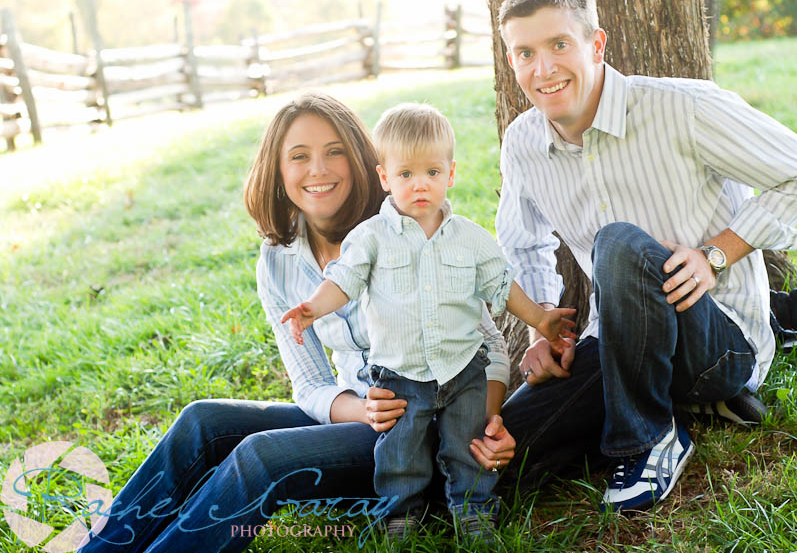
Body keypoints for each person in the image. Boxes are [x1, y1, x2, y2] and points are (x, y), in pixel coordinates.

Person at [77, 92, 517, 553]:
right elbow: (309, 384)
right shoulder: (278, 260)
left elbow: (488, 341)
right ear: (279, 170)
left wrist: (485, 423)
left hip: (418, 427)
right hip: (363, 415)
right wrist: (363, 409)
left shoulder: (404, 223)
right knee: (201, 420)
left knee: (260, 455)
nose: (318, 171)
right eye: (299, 157)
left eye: (334, 153)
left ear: (365, 162)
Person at [493, 0, 797, 512]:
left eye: (559, 45)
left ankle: (650, 438)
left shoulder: (683, 108)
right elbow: (524, 244)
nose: (543, 69)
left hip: (719, 341)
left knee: (621, 243)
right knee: (503, 453)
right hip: (618, 346)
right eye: (524, 53)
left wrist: (716, 254)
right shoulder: (523, 145)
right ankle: (683, 407)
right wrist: (542, 325)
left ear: (596, 44)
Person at [280, 103, 576, 536]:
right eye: (406, 175)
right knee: (400, 454)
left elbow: (501, 286)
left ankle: (474, 512)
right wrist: (313, 307)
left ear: (450, 175)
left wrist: (541, 319)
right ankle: (400, 516)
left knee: (468, 446)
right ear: (385, 179)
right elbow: (343, 280)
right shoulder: (371, 238)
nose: (420, 185)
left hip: (463, 370)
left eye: (432, 173)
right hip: (401, 375)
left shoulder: (471, 239)